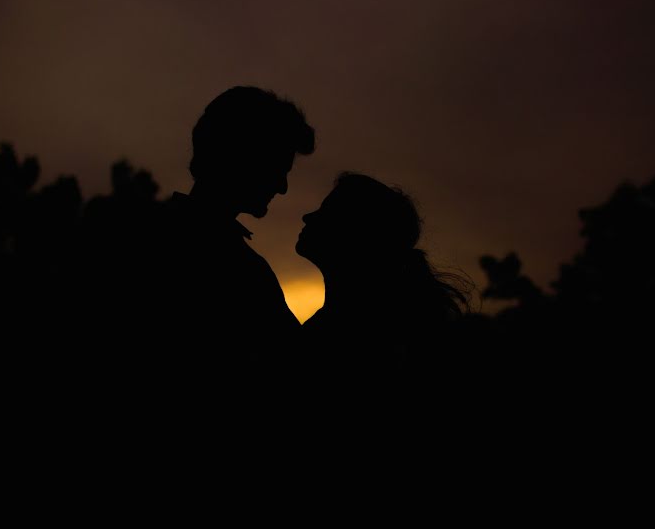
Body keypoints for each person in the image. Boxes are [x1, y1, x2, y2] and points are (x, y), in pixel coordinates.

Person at [155, 86, 316, 396]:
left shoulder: (145, 234)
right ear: (242, 159)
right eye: (277, 169)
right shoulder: (233, 266)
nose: (282, 187)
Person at [295, 172, 470, 407]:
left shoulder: (358, 334)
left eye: (326, 213)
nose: (307, 217)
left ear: (355, 234)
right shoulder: (368, 323)